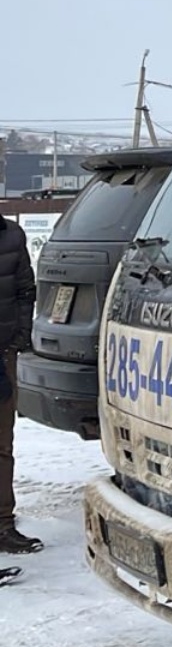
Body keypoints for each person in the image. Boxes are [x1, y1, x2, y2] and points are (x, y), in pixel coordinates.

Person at [0, 213, 40, 555]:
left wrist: (18, 338)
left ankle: (3, 525)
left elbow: (26, 290)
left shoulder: (11, 235)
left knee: (2, 444)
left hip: (2, 353)